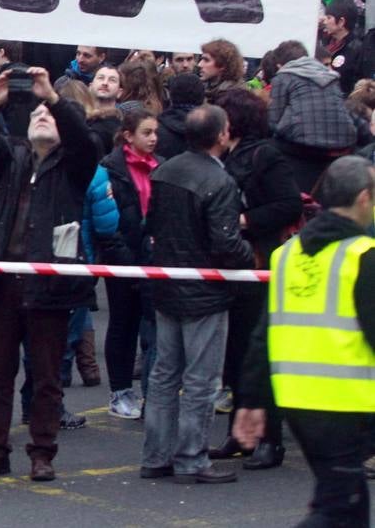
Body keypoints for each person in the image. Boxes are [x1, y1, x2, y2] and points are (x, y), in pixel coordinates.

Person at [0, 67, 97, 482]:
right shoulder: (14, 159)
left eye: (51, 115)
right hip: (5, 284)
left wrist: (55, 99)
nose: (42, 115)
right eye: (37, 112)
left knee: (46, 379)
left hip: (51, 287)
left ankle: (43, 453)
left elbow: (83, 139)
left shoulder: (75, 167)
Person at [233, 156, 375, 527]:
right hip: (345, 402)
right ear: (363, 199)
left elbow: (263, 333)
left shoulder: (288, 255)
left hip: (296, 401)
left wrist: (251, 399)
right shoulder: (363, 256)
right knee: (337, 507)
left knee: (351, 507)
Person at [139, 105, 254, 485]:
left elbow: (151, 222)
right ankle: (191, 458)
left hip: (167, 282)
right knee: (202, 380)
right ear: (221, 135)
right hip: (205, 290)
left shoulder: (164, 171)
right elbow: (224, 241)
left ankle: (156, 455)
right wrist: (248, 258)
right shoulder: (219, 182)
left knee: (164, 374)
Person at [214, 89, 302, 469]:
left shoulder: (266, 154)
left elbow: (288, 205)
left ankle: (270, 439)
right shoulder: (224, 156)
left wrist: (245, 220)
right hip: (232, 262)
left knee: (259, 352)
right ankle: (241, 433)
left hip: (260, 261)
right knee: (235, 353)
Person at [100, 108, 159, 421]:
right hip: (122, 260)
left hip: (151, 259)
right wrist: (123, 256)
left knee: (150, 325)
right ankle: (120, 390)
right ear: (128, 136)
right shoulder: (111, 168)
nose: (153, 139)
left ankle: (151, 392)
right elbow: (107, 219)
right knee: (123, 324)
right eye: (146, 133)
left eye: (154, 133)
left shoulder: (158, 166)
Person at [270, 43, 359, 194]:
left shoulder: (283, 76)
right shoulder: (330, 76)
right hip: (343, 144)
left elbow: (273, 119)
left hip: (302, 146)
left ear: (279, 65)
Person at [198, 39, 245, 105]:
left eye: (206, 60)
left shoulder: (236, 98)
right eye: (201, 59)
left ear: (222, 65)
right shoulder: (203, 89)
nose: (199, 64)